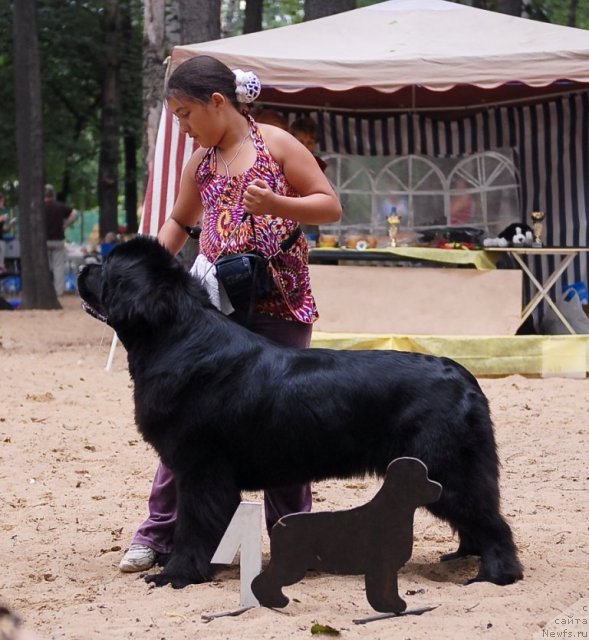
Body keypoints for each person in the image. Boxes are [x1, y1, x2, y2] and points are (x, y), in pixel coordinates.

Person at [119, 55, 342, 573]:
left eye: (185, 113)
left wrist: (279, 206)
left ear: (218, 103)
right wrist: (150, 268)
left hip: (279, 304)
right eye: (175, 116)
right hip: (215, 312)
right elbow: (179, 219)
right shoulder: (200, 162)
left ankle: (293, 535)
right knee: (186, 422)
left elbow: (329, 206)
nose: (182, 125)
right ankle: (160, 533)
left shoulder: (277, 144)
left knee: (286, 421)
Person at [288, 117, 327, 242]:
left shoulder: (318, 165)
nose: (305, 146)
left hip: (309, 218)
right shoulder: (282, 160)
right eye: (301, 141)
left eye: (310, 142)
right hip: (286, 215)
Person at [44, 185, 78, 295]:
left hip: (43, 241)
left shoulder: (39, 206)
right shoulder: (59, 206)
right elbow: (75, 213)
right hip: (58, 240)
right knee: (58, 266)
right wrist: (66, 224)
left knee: (45, 266)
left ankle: (46, 290)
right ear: (53, 194)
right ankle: (58, 291)